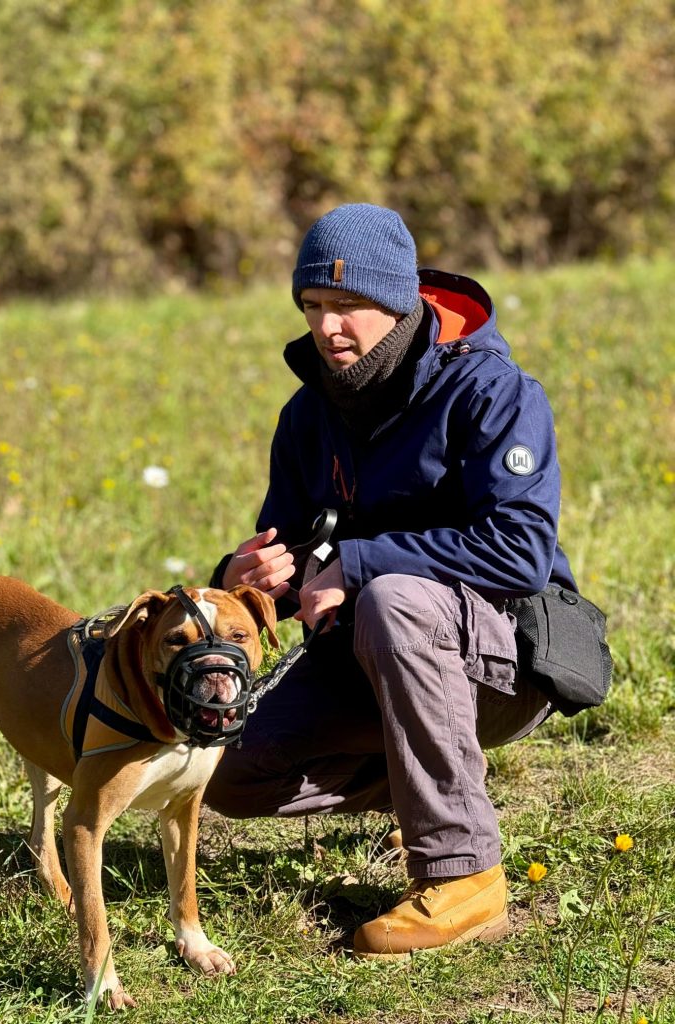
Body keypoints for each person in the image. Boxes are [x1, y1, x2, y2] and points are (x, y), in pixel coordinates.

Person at [204, 203, 577, 958]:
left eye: (349, 307)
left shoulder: (492, 391)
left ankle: (464, 874)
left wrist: (362, 564)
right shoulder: (309, 415)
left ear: (400, 304)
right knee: (227, 768)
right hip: (376, 659)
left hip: (502, 666)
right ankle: (433, 783)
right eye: (313, 306)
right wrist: (247, 578)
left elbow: (523, 552)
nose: (327, 328)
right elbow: (300, 549)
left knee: (394, 597)